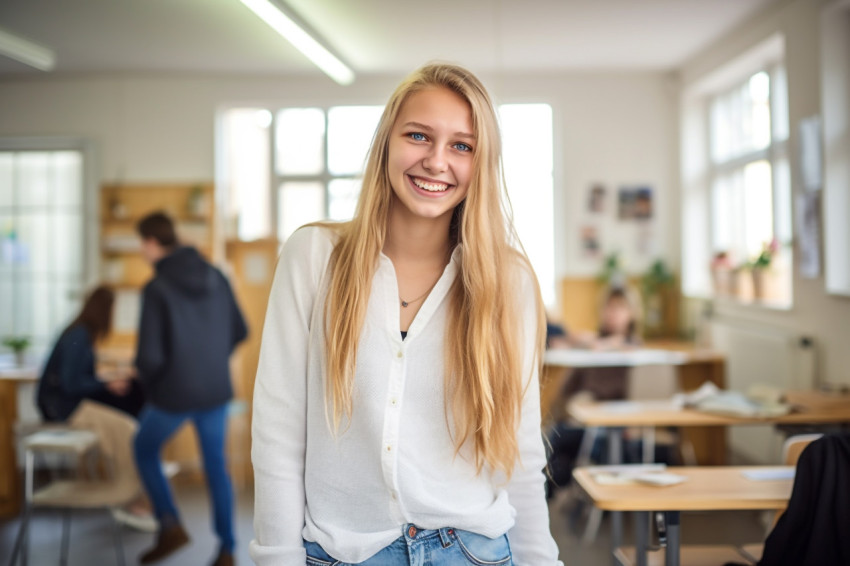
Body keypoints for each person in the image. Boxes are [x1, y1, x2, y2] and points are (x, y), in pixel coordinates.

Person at [250, 63, 562, 566]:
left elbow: (519, 450)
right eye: (419, 136)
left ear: (481, 163)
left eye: (462, 145)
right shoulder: (314, 257)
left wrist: (541, 560)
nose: (437, 161)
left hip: (474, 551)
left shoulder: (509, 281)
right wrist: (276, 557)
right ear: (386, 142)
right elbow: (278, 432)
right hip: (343, 552)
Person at [132, 212, 248, 566]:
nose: (141, 252)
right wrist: (209, 363)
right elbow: (240, 329)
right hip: (214, 390)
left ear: (152, 243)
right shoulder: (215, 274)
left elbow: (149, 357)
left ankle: (169, 524)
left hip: (173, 394)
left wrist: (150, 386)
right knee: (217, 468)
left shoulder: (156, 287)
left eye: (140, 244)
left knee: (143, 447)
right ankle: (227, 549)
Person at [36, 285, 143, 423]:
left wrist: (107, 381)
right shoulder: (79, 335)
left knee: (129, 394)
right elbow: (70, 384)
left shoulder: (82, 333)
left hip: (66, 400)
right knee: (131, 398)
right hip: (61, 406)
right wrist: (106, 384)